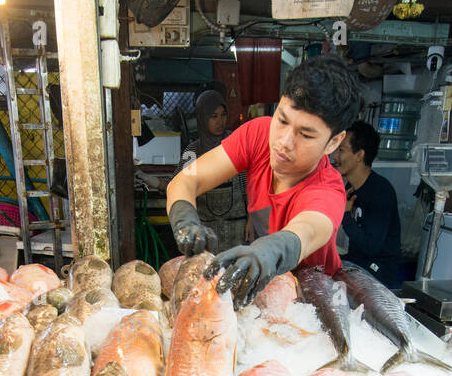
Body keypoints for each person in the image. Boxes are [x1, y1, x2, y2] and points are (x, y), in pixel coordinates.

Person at [165, 55, 360, 304]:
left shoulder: (328, 190)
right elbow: (186, 179)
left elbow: (307, 231)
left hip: (312, 305)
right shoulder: (258, 134)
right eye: (282, 120)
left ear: (333, 142)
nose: (283, 143)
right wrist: (185, 219)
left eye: (306, 135)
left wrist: (267, 250)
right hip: (263, 295)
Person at [330, 120, 401, 288]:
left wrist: (345, 215)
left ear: (359, 155)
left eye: (341, 150)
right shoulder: (350, 188)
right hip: (357, 264)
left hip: (378, 274)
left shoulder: (381, 191)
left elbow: (371, 247)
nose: (335, 157)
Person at [178, 89, 248, 251]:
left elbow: (248, 185)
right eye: (213, 116)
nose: (220, 121)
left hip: (236, 228)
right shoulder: (192, 150)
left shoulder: (235, 143)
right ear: (202, 118)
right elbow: (183, 187)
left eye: (223, 115)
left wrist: (251, 220)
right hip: (206, 230)